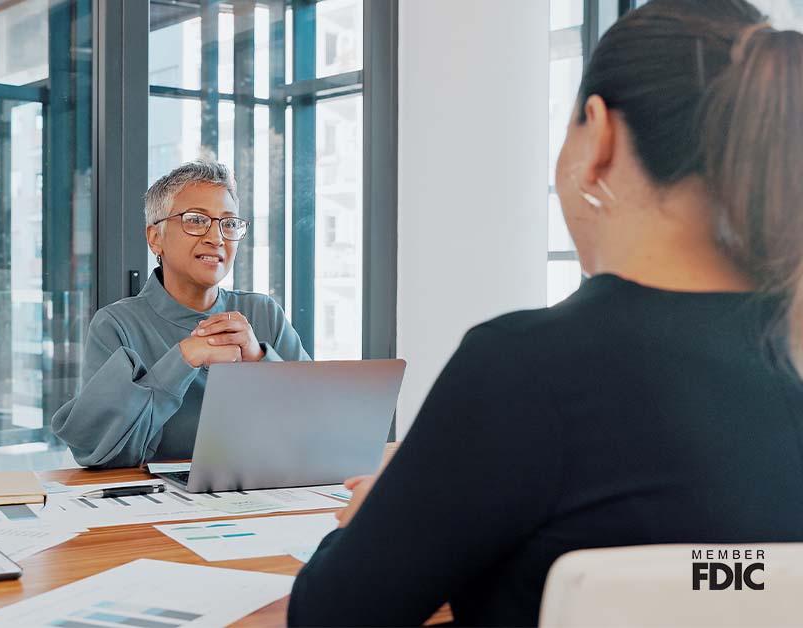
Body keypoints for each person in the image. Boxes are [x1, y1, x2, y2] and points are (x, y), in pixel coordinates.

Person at [288, 1, 803, 625]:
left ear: (599, 134)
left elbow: (329, 618)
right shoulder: (785, 361)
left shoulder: (526, 370)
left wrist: (382, 511)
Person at [52, 160, 309, 468]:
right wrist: (183, 359)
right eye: (196, 220)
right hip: (159, 504)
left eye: (228, 224)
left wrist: (258, 359)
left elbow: (315, 425)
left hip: (264, 492)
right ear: (155, 238)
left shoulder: (263, 313)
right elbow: (98, 452)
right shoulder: (116, 325)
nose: (216, 238)